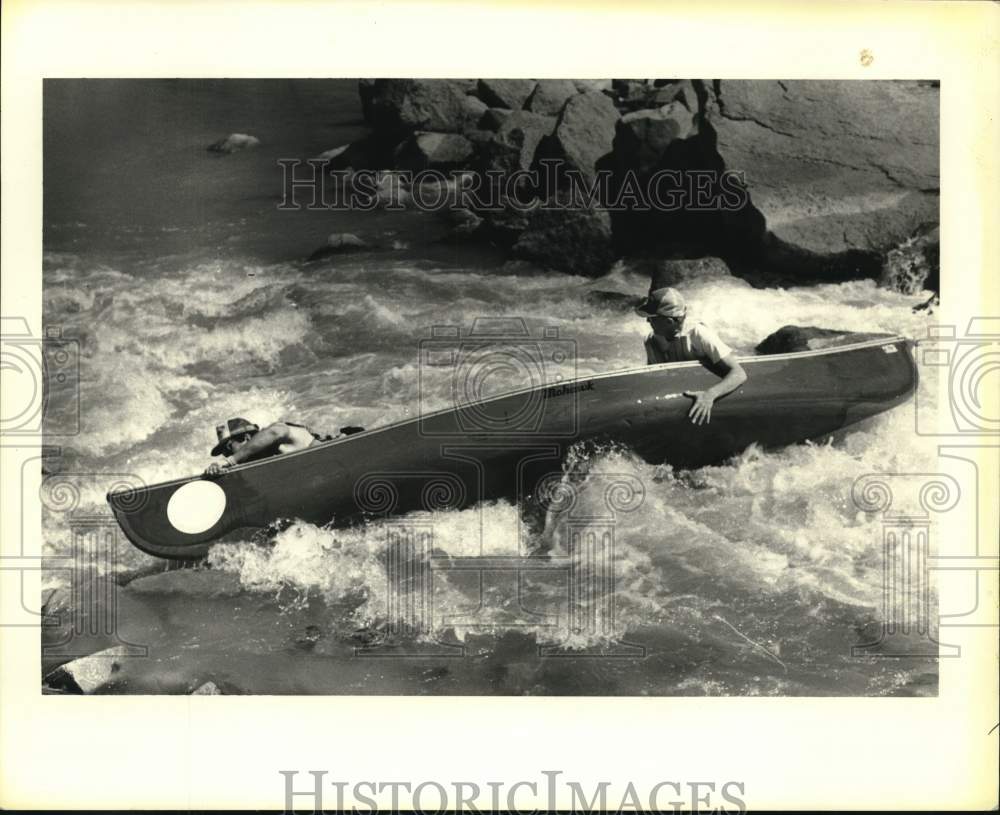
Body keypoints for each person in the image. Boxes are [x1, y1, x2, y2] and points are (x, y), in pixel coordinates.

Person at [635, 286, 747, 425]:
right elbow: (655, 380)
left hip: (705, 396)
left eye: (651, 318)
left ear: (668, 321)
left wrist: (710, 395)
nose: (647, 322)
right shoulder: (651, 341)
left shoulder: (698, 334)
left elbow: (739, 373)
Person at [204, 417, 363, 476]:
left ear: (246, 438)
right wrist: (216, 471)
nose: (225, 455)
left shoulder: (276, 435)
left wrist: (230, 461)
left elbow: (275, 431)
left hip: (351, 455)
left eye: (228, 448)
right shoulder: (265, 465)